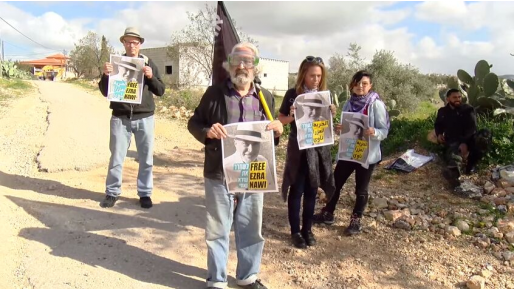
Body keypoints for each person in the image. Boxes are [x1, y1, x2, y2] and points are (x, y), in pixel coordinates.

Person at [188, 42, 283, 289]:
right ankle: (217, 280)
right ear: (229, 64)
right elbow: (194, 123)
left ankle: (247, 277)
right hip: (219, 174)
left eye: (247, 61)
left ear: (256, 67)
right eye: (237, 60)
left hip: (253, 174)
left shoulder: (266, 97)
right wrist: (208, 131)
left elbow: (270, 136)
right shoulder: (214, 94)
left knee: (251, 228)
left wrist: (278, 131)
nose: (242, 66)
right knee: (218, 229)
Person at [313, 70, 389, 236]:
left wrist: (373, 131)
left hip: (367, 154)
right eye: (357, 83)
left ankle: (356, 221)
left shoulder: (376, 105)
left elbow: (384, 130)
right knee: (335, 183)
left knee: (361, 189)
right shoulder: (349, 103)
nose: (360, 86)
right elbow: (345, 129)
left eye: (364, 84)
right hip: (348, 152)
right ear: (352, 85)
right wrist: (341, 129)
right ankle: (328, 213)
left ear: (370, 86)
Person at [98, 27, 165, 209]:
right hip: (120, 118)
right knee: (116, 158)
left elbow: (160, 90)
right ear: (123, 43)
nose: (131, 45)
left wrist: (151, 77)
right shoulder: (116, 64)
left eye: (134, 42)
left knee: (146, 159)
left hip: (145, 118)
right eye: (127, 41)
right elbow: (105, 92)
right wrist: (106, 75)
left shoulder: (148, 62)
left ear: (140, 44)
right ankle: (112, 193)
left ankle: (144, 194)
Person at [278, 56, 336, 249]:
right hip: (298, 149)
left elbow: (327, 125)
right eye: (312, 75)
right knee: (297, 190)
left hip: (318, 150)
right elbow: (281, 120)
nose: (316, 79)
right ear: (304, 74)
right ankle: (295, 231)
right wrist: (291, 116)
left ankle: (307, 229)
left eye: (319, 76)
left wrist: (331, 113)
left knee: (312, 189)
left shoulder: (324, 96)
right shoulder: (292, 94)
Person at [434, 88, 490, 187]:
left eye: (459, 97)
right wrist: (439, 134)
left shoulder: (468, 109)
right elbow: (438, 125)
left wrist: (464, 142)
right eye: (454, 97)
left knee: (484, 135)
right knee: (454, 156)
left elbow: (472, 128)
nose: (458, 99)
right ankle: (453, 176)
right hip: (452, 139)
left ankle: (470, 167)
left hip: (469, 138)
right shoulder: (443, 111)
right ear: (448, 99)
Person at [224, 123, 274, 191]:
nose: (250, 150)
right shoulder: (226, 165)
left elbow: (269, 187)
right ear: (235, 143)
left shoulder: (263, 161)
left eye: (255, 144)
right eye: (245, 143)